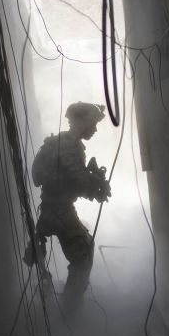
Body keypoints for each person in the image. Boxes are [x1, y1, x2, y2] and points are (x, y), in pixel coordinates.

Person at [26, 102, 110, 313]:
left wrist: (94, 184)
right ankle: (70, 314)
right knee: (83, 256)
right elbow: (77, 179)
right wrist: (96, 188)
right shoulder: (68, 145)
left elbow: (64, 177)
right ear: (81, 122)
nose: (95, 129)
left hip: (54, 209)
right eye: (93, 123)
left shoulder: (62, 143)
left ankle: (66, 307)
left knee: (83, 251)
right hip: (59, 211)